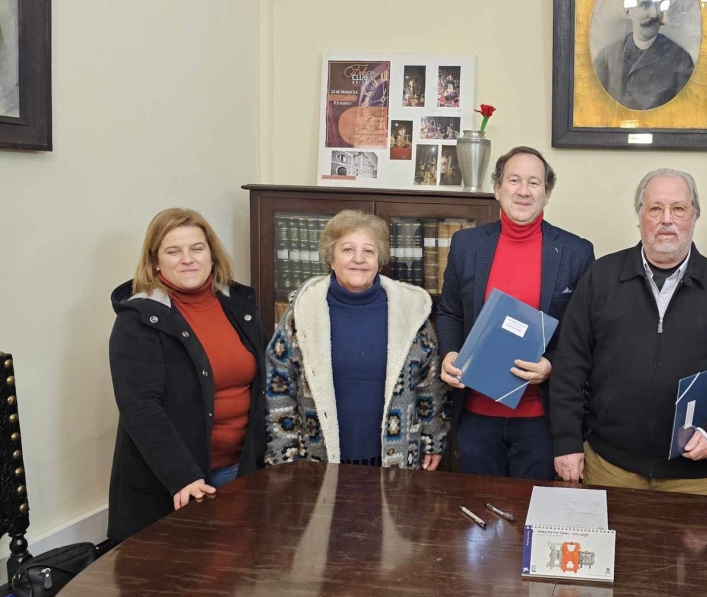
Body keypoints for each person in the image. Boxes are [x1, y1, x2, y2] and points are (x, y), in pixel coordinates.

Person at [549, 168, 707, 496]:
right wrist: (567, 441)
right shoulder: (601, 278)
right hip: (611, 467)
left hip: (696, 475)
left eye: (678, 209)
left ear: (694, 216)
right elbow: (570, 364)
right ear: (640, 216)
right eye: (655, 208)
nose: (667, 219)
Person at [108, 207, 266, 542]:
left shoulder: (239, 305)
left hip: (242, 470)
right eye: (173, 251)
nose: (187, 259)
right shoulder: (137, 320)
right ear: (155, 262)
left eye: (197, 248)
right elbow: (140, 408)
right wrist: (183, 476)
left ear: (211, 254)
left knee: (241, 568)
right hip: (180, 482)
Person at [437, 146, 594, 480]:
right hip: (476, 415)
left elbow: (585, 334)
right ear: (497, 189)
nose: (524, 191)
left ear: (547, 193)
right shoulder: (467, 245)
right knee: (477, 508)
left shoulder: (575, 252)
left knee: (533, 507)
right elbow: (449, 312)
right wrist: (450, 351)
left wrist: (551, 365)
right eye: (514, 180)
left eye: (534, 183)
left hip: (540, 419)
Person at [264, 209, 447, 469]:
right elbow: (279, 385)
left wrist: (432, 439)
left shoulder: (410, 311)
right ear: (331, 258)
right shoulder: (303, 311)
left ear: (379, 259)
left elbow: (428, 384)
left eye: (368, 251)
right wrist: (285, 450)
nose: (358, 259)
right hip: (317, 459)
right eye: (348, 249)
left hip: (396, 457)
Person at [593, 0, 696, 110]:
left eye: (660, 5)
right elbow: (593, 105)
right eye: (645, 5)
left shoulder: (681, 59)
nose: (655, 14)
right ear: (628, 11)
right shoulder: (607, 56)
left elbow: (686, 111)